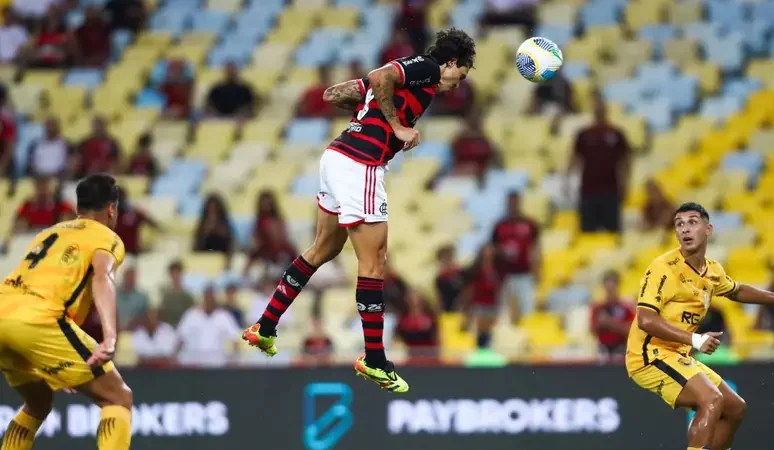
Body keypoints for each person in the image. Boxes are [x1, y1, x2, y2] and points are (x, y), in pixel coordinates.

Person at [242, 28, 476, 393]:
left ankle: (265, 326)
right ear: (450, 63)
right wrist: (395, 124)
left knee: (324, 249)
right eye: (459, 76)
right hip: (361, 163)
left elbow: (334, 94)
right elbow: (382, 76)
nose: (456, 85)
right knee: (374, 262)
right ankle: (374, 358)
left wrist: (373, 99)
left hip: (335, 157)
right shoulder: (428, 69)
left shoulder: (416, 80)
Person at [0, 173, 132, 450]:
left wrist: (62, 362)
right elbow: (102, 277)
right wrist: (110, 337)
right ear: (112, 209)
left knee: (38, 403)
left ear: (77, 209)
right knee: (118, 398)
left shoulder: (50, 232)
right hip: (38, 320)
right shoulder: (106, 236)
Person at [627, 202, 774, 450]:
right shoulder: (663, 268)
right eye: (679, 224)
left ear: (708, 229)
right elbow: (645, 319)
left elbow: (736, 291)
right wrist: (695, 340)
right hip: (648, 356)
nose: (685, 229)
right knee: (711, 399)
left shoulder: (712, 271)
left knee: (735, 408)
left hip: (677, 355)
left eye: (692, 222)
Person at [567, 96, 630, 233]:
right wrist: (568, 181)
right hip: (589, 192)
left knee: (612, 233)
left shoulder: (616, 134)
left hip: (610, 191)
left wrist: (625, 184)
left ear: (606, 111)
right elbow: (575, 159)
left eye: (602, 109)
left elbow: (625, 161)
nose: (599, 111)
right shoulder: (584, 134)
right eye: (597, 109)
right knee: (588, 234)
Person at [490, 191, 540, 322]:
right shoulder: (499, 226)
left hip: (525, 274)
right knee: (505, 311)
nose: (512, 206)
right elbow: (492, 249)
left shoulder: (529, 224)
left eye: (515, 203)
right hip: (505, 275)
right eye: (509, 203)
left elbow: (535, 249)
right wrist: (502, 251)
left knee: (528, 310)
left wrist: (537, 271)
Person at [590, 270, 634, 359]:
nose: (610, 291)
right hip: (603, 348)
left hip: (621, 347)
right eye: (608, 288)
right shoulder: (597, 307)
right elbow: (592, 330)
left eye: (613, 287)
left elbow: (631, 331)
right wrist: (601, 324)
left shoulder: (626, 307)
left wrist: (609, 322)